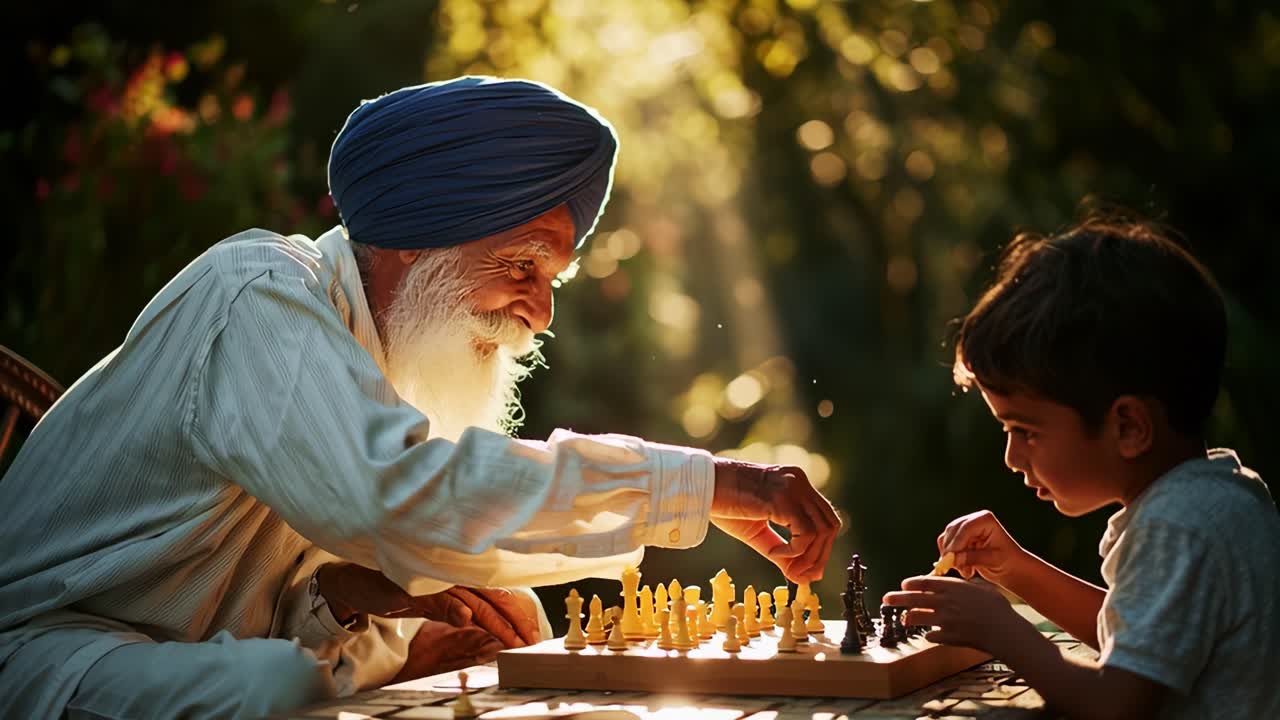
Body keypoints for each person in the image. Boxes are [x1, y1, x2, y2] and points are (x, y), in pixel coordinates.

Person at [0, 76, 840, 719]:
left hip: (179, 655)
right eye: (523, 265)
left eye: (552, 278)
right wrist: (710, 485)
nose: (541, 310)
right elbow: (394, 498)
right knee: (278, 686)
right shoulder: (255, 292)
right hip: (41, 651)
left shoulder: (386, 355)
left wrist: (355, 602)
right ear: (413, 240)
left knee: (488, 636)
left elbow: (305, 587)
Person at [883, 214, 1280, 719]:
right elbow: (1144, 644)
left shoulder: (1175, 527)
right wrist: (1019, 570)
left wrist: (1003, 632)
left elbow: (1116, 705)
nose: (1011, 456)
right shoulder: (1222, 496)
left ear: (1129, 427)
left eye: (1024, 430)